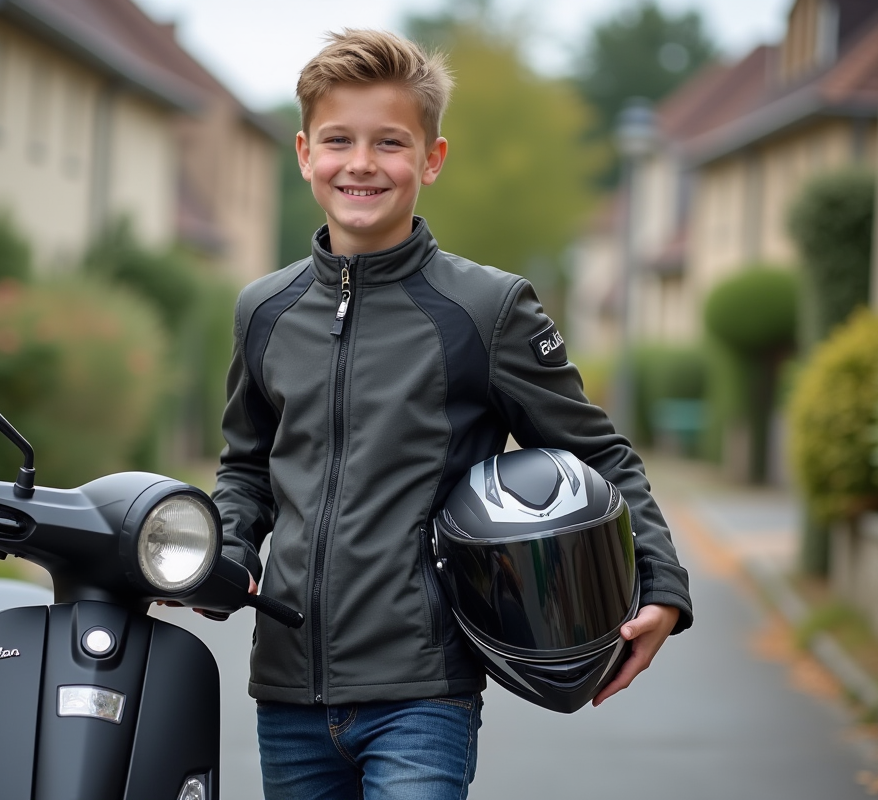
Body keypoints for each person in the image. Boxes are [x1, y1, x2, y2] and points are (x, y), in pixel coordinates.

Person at [210, 28, 693, 800]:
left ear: (431, 159)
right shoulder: (264, 310)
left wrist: (661, 583)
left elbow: (598, 454)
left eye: (389, 142)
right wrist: (226, 548)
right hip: (287, 687)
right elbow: (246, 467)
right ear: (304, 154)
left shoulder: (487, 309)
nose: (361, 163)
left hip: (424, 690)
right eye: (338, 140)